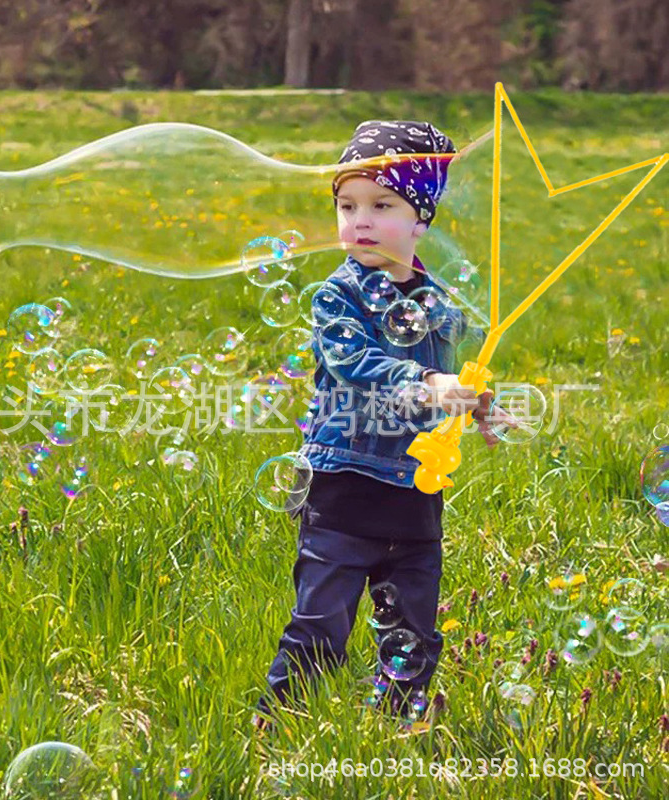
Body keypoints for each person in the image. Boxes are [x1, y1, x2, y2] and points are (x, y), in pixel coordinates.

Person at [253, 120, 509, 733]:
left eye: (381, 205)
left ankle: (399, 727)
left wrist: (476, 403)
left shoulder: (440, 301)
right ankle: (279, 724)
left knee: (413, 625)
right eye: (347, 206)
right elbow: (355, 364)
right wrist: (427, 386)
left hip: (416, 489)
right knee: (322, 622)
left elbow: (449, 376)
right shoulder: (336, 297)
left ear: (420, 220)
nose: (359, 221)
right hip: (343, 484)